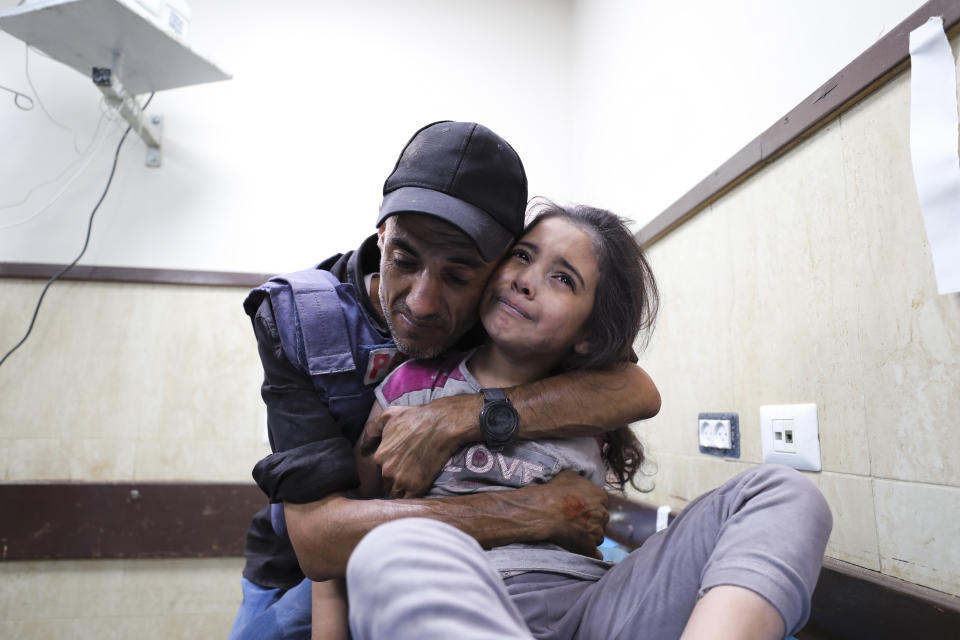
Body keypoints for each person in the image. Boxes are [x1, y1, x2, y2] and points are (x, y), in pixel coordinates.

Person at [228, 121, 662, 640]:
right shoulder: (301, 319)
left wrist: (457, 418)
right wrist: (528, 511)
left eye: (458, 276)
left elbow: (635, 389)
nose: (423, 304)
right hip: (313, 563)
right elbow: (321, 544)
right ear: (381, 233)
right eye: (404, 261)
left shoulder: (508, 312)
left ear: (497, 266)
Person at [345, 203, 835, 640]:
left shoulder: (593, 400)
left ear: (587, 333)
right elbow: (356, 505)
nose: (524, 278)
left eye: (563, 278)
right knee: (390, 544)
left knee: (784, 492)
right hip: (464, 599)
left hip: (591, 606)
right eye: (522, 256)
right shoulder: (413, 382)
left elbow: (639, 389)